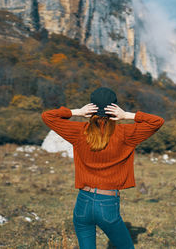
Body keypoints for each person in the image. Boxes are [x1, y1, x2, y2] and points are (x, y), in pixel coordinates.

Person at [41, 87, 164, 249]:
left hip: (83, 202)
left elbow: (47, 116)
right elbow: (157, 121)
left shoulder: (78, 132)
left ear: (91, 108)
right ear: (114, 109)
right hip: (107, 202)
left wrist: (77, 112)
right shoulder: (126, 133)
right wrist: (127, 115)